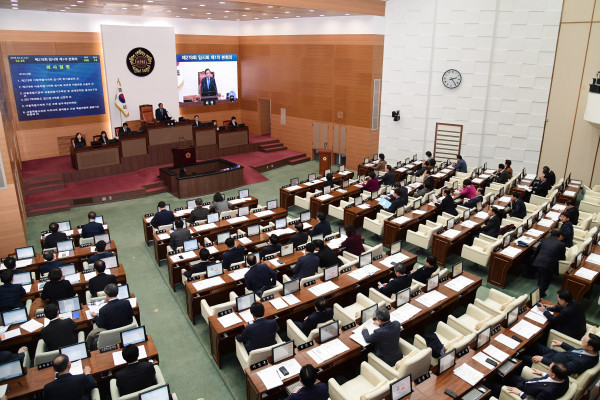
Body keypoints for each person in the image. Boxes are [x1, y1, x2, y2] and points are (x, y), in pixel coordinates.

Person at [522, 334, 600, 375]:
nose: (582, 341)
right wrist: (562, 344)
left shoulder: (581, 362)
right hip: (554, 354)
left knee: (523, 357)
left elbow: (561, 367)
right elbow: (574, 351)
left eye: (584, 341)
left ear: (590, 347)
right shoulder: (592, 352)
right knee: (533, 344)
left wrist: (542, 359)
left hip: (549, 362)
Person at [490, 362, 569, 400]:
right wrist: (544, 374)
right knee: (507, 375)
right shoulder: (564, 378)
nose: (548, 368)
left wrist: (520, 393)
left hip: (523, 391)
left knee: (494, 386)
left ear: (553, 375)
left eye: (549, 369)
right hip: (526, 383)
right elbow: (552, 379)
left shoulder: (548, 392)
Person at [528, 229, 566, 298]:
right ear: (560, 236)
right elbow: (562, 257)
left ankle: (539, 290)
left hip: (539, 261)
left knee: (541, 278)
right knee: (546, 280)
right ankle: (539, 295)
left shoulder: (544, 240)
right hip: (549, 265)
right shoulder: (561, 244)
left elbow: (537, 251)